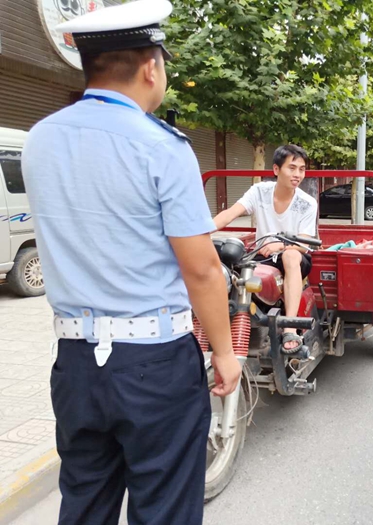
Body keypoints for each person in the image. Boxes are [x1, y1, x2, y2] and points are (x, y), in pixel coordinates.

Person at [21, 1, 241, 523]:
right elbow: (201, 268)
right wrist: (225, 352)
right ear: (150, 67)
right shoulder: (161, 146)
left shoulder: (40, 139)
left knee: (84, 503)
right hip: (155, 362)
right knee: (163, 509)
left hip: (75, 361)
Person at [214, 145, 317, 353]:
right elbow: (231, 213)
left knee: (290, 255)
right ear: (276, 169)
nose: (297, 174)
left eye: (302, 169)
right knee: (229, 262)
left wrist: (281, 245)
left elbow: (305, 244)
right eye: (292, 168)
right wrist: (199, 232)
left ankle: (290, 327)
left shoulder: (307, 203)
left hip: (296, 256)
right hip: (263, 254)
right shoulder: (259, 191)